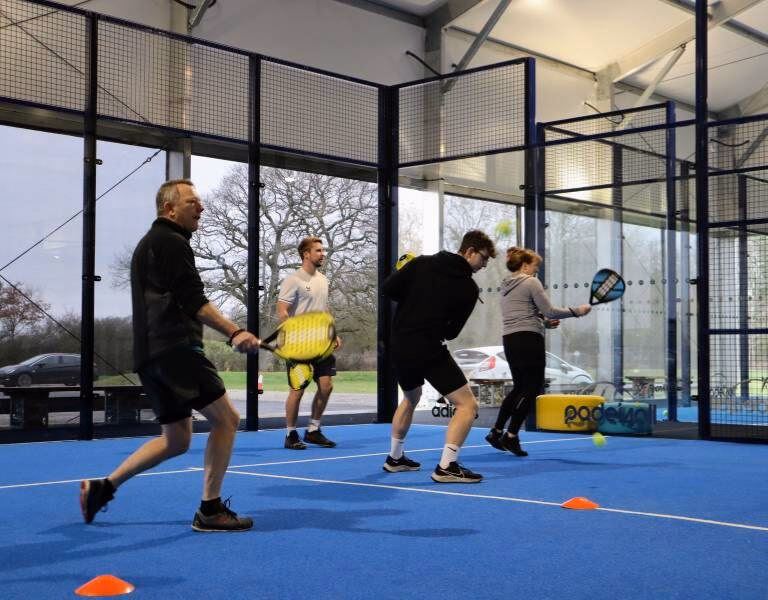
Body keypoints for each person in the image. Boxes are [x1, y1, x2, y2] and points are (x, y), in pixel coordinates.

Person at [80, 179, 260, 532]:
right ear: (170, 209)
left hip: (150, 357)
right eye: (193, 202)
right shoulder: (171, 241)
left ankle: (104, 487)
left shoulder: (150, 244)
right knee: (227, 419)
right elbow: (193, 301)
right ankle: (210, 511)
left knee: (177, 439)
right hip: (176, 349)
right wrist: (235, 331)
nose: (201, 208)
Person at [381, 230, 496, 483]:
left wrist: (414, 301)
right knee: (467, 406)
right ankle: (447, 466)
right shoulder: (468, 288)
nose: (485, 264)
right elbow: (451, 332)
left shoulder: (421, 262)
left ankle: (395, 458)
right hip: (428, 347)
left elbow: (389, 288)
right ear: (470, 251)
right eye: (484, 258)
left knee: (411, 397)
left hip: (399, 344)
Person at [486, 247, 591, 457]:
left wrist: (544, 323)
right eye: (535, 266)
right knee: (532, 388)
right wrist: (577, 311)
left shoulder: (506, 286)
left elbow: (524, 314)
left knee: (519, 388)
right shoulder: (531, 282)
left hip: (511, 340)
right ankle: (511, 436)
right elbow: (550, 310)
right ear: (525, 265)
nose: (537, 271)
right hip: (528, 340)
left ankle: (496, 432)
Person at [278, 236, 341, 450]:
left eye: (323, 250)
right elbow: (282, 311)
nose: (323, 254)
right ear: (306, 254)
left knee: (326, 386)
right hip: (299, 346)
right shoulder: (293, 280)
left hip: (321, 344)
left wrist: (333, 333)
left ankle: (313, 430)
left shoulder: (323, 280)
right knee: (298, 390)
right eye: (318, 251)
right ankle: (290, 434)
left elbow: (324, 309)